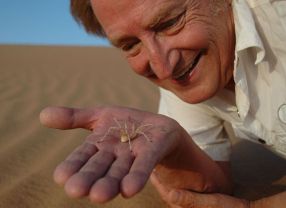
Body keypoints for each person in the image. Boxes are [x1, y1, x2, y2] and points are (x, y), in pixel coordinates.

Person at [40, 0, 286, 207]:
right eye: (130, 45)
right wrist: (177, 151)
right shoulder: (189, 75)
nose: (163, 68)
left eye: (171, 23)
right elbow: (211, 189)